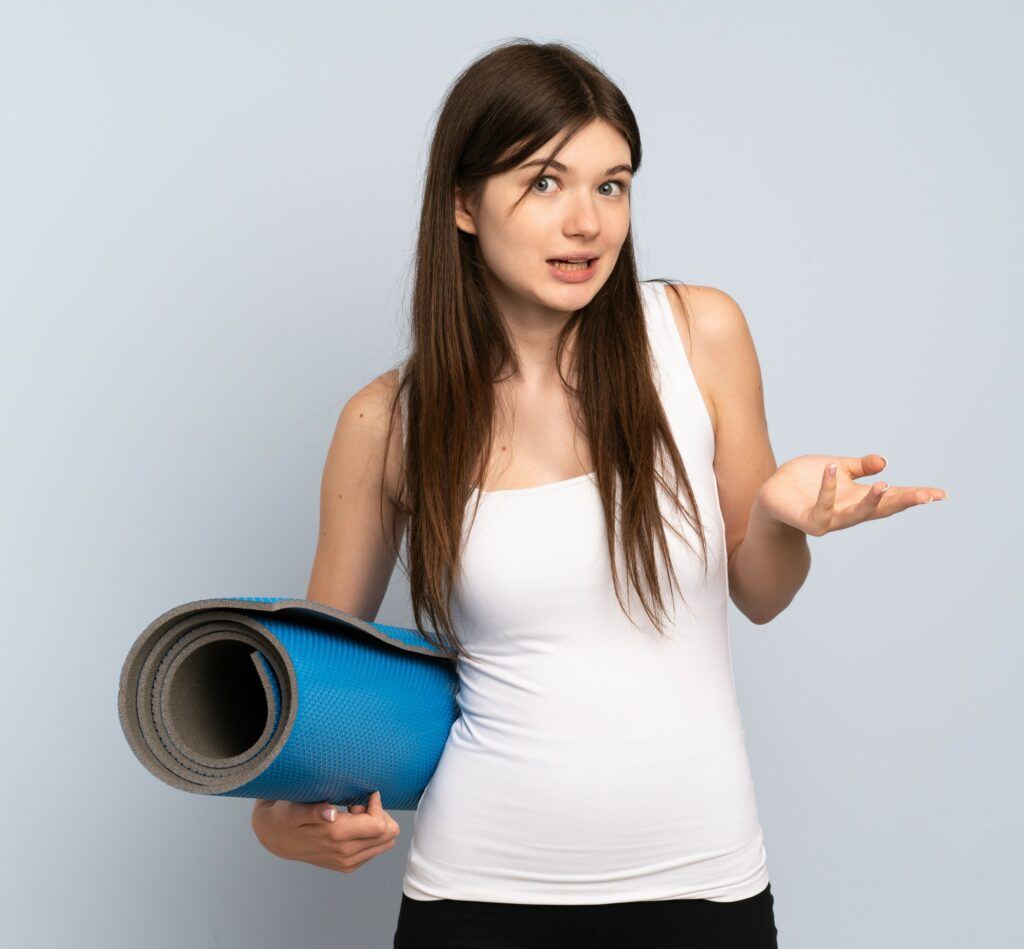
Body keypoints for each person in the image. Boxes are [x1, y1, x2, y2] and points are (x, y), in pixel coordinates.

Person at [251, 39, 947, 949]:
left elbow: (764, 595)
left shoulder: (699, 335)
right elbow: (316, 691)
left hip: (705, 888)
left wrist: (780, 518)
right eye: (545, 183)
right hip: (477, 895)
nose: (588, 222)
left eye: (611, 184)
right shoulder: (388, 422)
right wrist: (279, 824)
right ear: (462, 204)